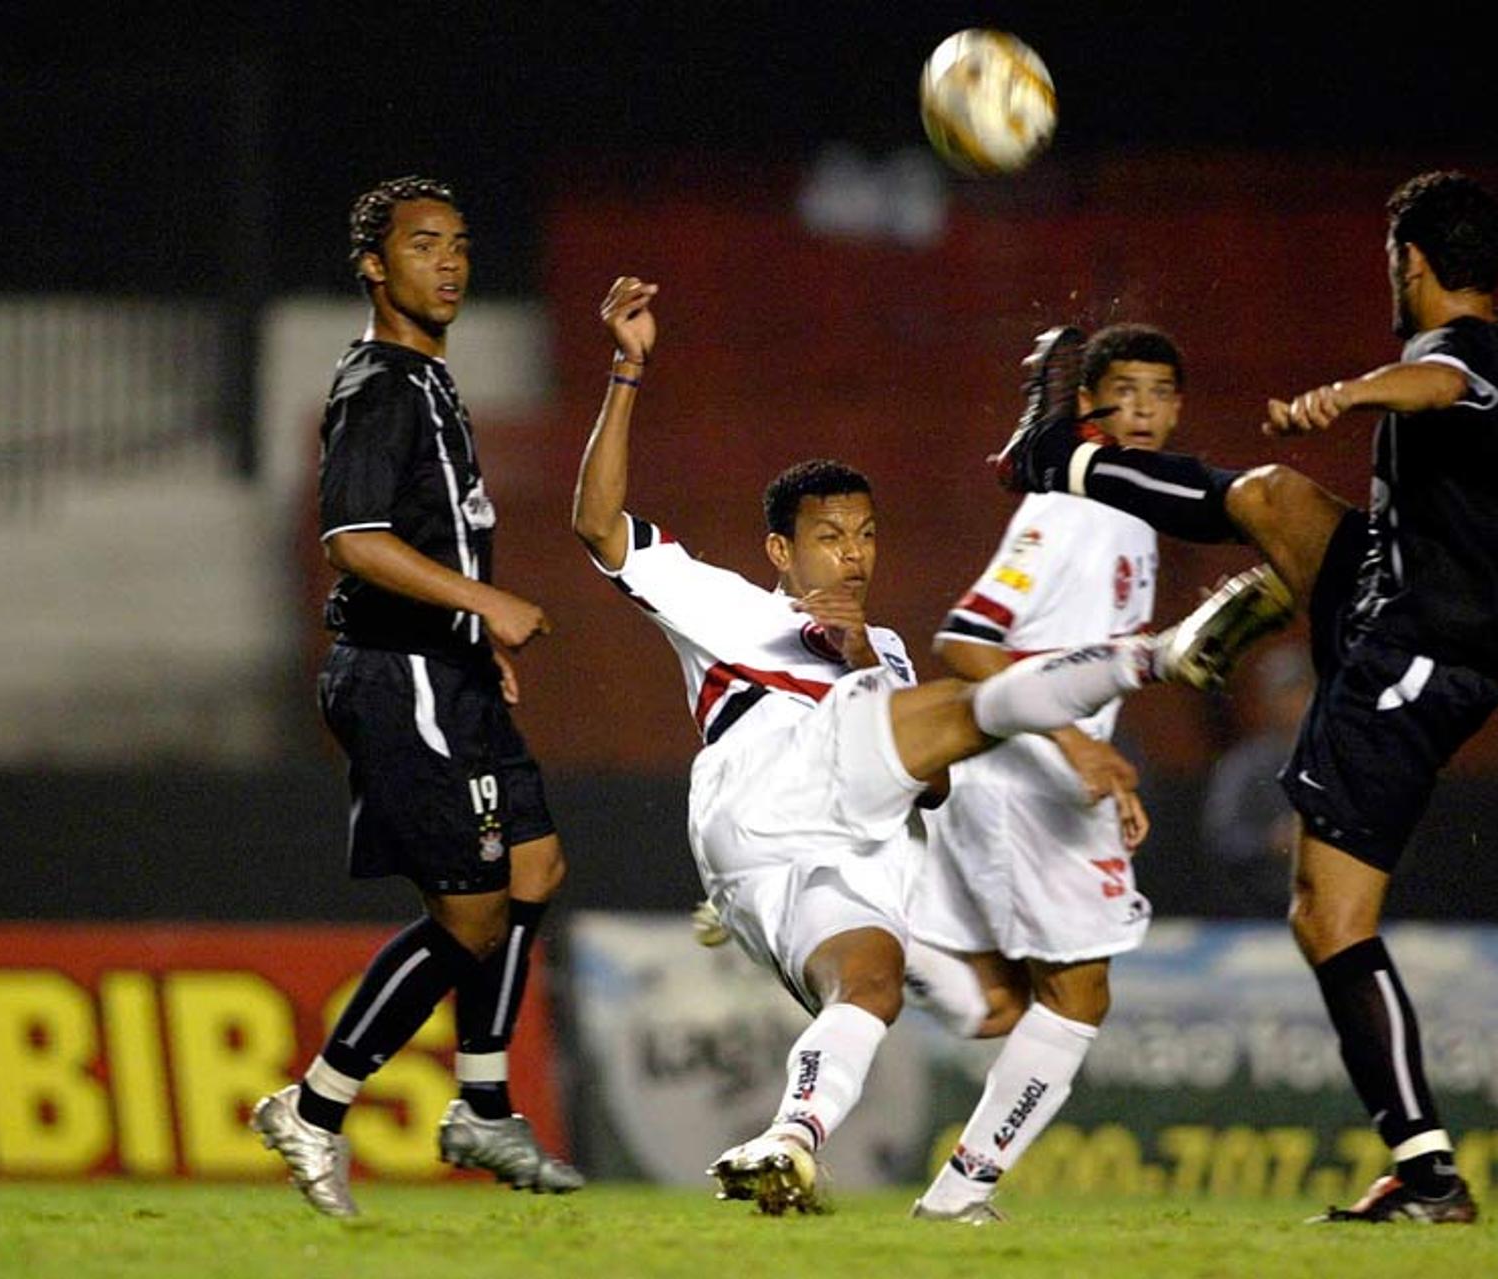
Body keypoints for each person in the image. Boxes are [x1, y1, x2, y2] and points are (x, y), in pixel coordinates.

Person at [991, 170, 1498, 1223]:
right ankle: (1066, 468)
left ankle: (1427, 1170)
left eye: (1390, 261)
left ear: (1411, 262)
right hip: (1402, 592)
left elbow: (1439, 385)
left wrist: (1351, 394)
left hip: (1419, 651)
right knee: (1271, 497)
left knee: (1328, 913)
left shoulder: (1452, 357)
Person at [571, 277, 1213, 1215]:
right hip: (767, 787)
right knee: (968, 703)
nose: (855, 553)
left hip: (814, 860)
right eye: (829, 536)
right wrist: (629, 366)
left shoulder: (888, 653)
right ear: (780, 552)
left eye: (867, 534)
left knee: (869, 989)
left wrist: (872, 657)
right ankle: (1150, 657)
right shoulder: (731, 608)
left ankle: (790, 1138)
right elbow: (597, 524)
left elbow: (937, 785)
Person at [251, 176, 582, 1217]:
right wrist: (483, 599)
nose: (449, 261)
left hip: (450, 666)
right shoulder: (380, 386)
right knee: (472, 916)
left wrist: (470, 630)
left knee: (535, 861)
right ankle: (315, 1106)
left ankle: (482, 1103)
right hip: (403, 680)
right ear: (373, 265)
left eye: (460, 242)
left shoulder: (432, 380)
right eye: (423, 244)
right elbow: (352, 539)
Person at [901, 323, 1182, 1223]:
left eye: (1159, 391)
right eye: (1123, 390)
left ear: (1178, 408)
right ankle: (959, 1194)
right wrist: (1074, 747)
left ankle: (876, 925)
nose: (1141, 408)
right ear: (1088, 405)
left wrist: (1106, 766)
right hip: (1021, 779)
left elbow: (1077, 665)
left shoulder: (1133, 514)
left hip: (1045, 778)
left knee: (1009, 1002)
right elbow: (965, 642)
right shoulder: (1068, 512)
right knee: (1078, 995)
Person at [1200, 641, 1313, 915]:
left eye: (1301, 691)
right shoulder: (1245, 764)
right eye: (1285, 693)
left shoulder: (1341, 761)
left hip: (1331, 900)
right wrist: (1271, 840)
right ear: (1269, 699)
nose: (1294, 703)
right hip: (1260, 905)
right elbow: (1222, 836)